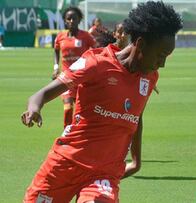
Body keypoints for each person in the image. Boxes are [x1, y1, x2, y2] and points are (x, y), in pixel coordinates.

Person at [21, 1, 183, 202]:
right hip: (66, 163)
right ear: (140, 43)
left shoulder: (150, 77)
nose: (163, 64)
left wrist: (136, 160)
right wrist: (34, 108)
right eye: (160, 55)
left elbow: (136, 117)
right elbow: (41, 94)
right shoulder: (96, 63)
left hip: (104, 174)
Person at [52, 6, 96, 128]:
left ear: (79, 20)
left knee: (82, 110)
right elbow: (56, 50)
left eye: (74, 18)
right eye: (69, 18)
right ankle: (66, 133)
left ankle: (78, 131)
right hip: (66, 77)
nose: (71, 21)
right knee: (67, 107)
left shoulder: (86, 36)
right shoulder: (60, 37)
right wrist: (56, 67)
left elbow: (96, 50)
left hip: (82, 78)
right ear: (65, 21)